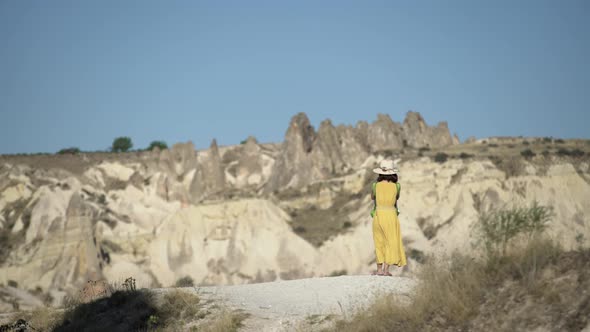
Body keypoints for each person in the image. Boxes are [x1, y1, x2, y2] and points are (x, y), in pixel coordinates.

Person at [370, 159, 407, 276]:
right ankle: (386, 270)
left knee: (379, 242)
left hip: (378, 215)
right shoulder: (397, 186)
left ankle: (379, 270)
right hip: (390, 215)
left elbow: (372, 197)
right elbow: (397, 198)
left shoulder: (375, 185)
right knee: (390, 242)